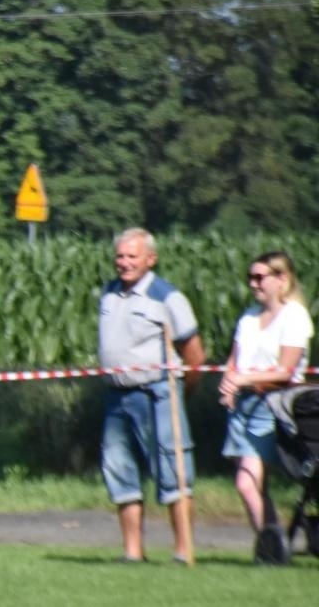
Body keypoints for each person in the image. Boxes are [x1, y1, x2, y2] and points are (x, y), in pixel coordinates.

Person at [97, 228, 206, 563]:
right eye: (120, 256)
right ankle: (132, 552)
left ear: (150, 259)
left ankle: (183, 551)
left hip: (157, 393)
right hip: (117, 395)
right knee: (119, 471)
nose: (124, 263)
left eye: (132, 256)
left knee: (173, 472)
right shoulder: (109, 293)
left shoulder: (167, 297)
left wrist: (178, 392)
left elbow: (195, 356)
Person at [217, 251, 312, 564]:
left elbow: (285, 370)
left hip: (273, 404)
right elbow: (235, 358)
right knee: (254, 485)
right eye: (251, 277)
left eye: (260, 277)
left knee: (246, 483)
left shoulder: (294, 316)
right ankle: (272, 544)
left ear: (281, 280)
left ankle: (269, 547)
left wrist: (243, 379)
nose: (253, 283)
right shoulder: (248, 316)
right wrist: (229, 383)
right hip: (243, 403)